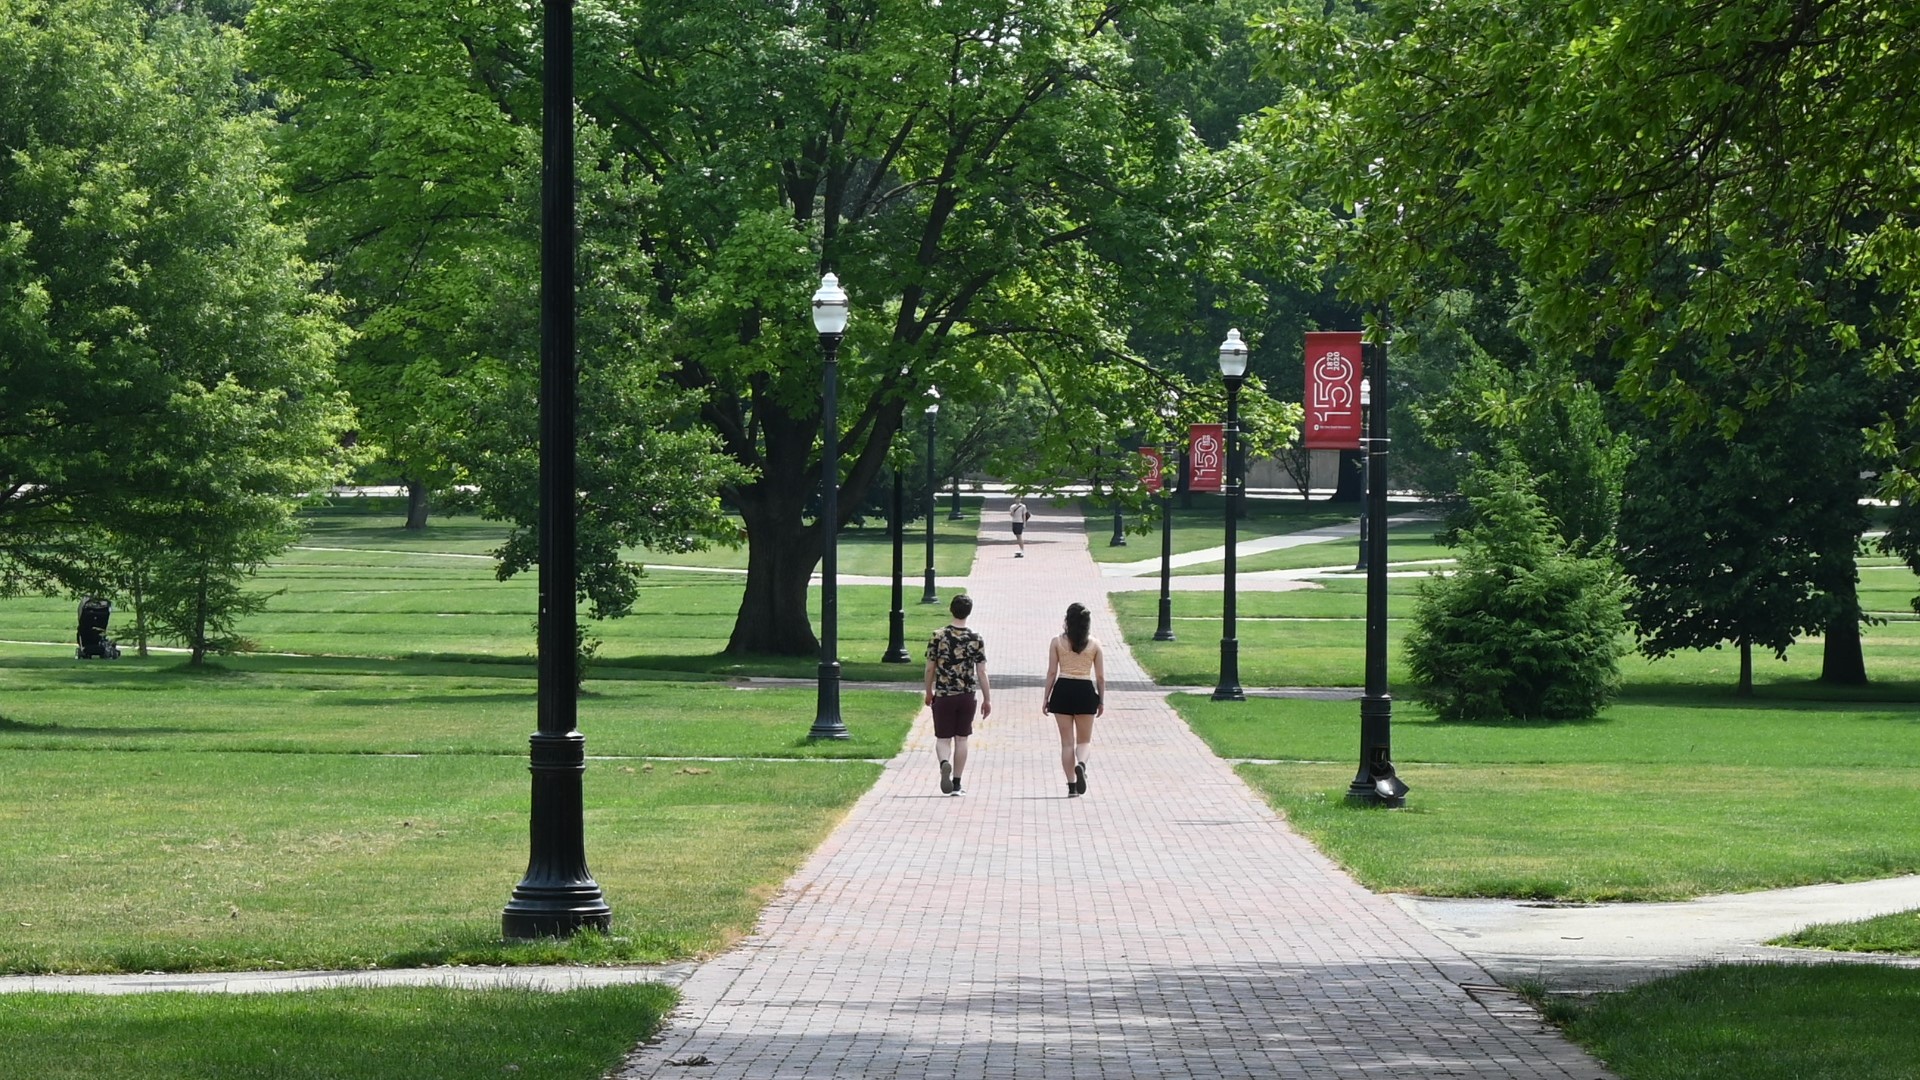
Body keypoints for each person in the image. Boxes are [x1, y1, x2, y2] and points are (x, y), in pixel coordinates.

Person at [923, 593, 991, 796]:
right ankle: (957, 783)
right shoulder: (975, 638)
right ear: (968, 612)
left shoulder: (938, 636)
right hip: (966, 695)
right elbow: (982, 671)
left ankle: (944, 762)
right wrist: (987, 699)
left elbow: (929, 668)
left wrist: (929, 691)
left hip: (944, 694)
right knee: (962, 739)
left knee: (943, 738)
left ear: (951, 609)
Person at [1042, 601, 1105, 797]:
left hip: (1063, 689)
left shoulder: (1057, 642)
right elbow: (1101, 677)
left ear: (1067, 620)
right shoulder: (1094, 644)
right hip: (1085, 690)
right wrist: (1101, 700)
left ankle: (1071, 786)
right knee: (1084, 741)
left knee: (1067, 743)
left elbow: (1052, 672)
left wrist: (1046, 697)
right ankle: (1082, 764)